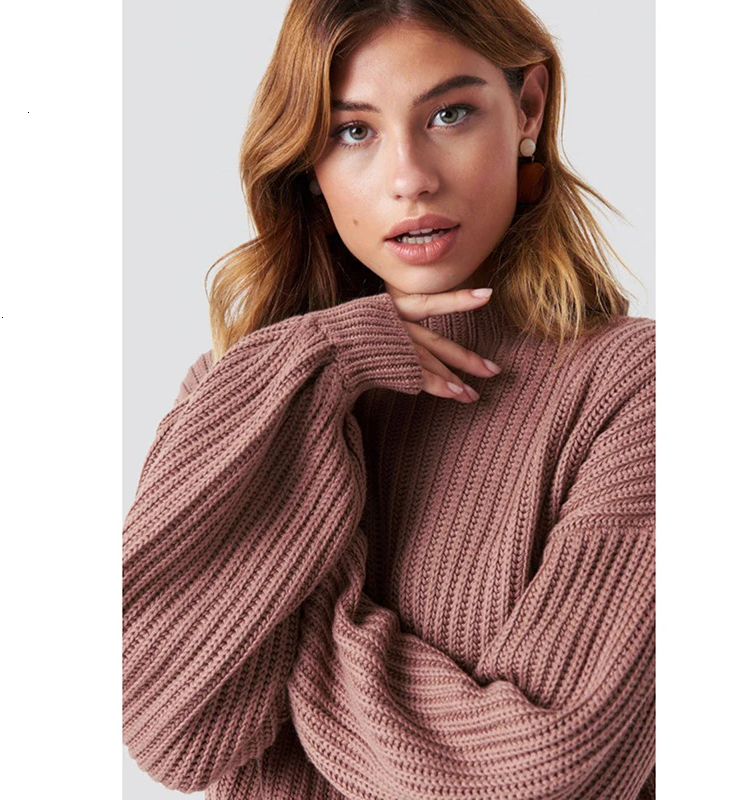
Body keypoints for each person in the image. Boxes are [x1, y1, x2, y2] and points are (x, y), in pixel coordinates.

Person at [122, 0, 655, 798]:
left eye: (449, 113)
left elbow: (548, 769)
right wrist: (327, 361)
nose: (410, 178)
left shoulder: (640, 390)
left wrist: (286, 605)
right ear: (307, 161)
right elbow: (168, 730)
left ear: (528, 109)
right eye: (353, 131)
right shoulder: (248, 391)